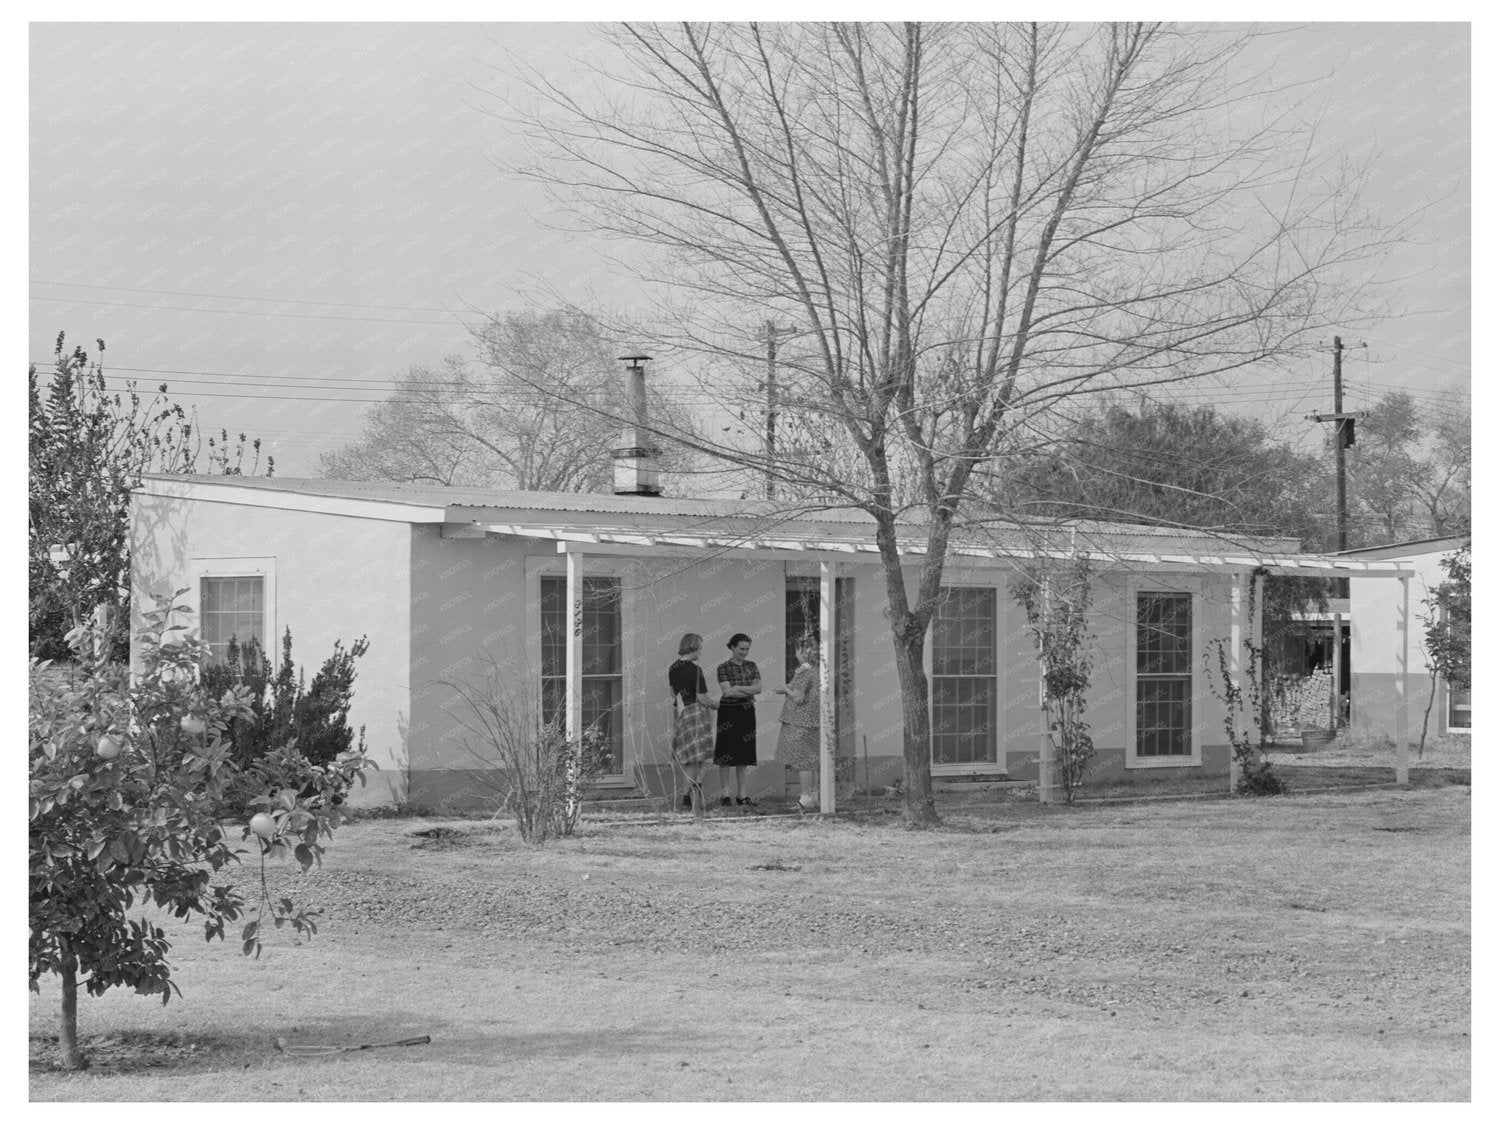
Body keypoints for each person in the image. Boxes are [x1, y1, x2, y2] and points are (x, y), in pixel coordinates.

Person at [668, 633, 718, 813]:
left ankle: (690, 799)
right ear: (693, 647)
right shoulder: (695, 670)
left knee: (689, 758)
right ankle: (690, 798)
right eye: (700, 648)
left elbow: (673, 693)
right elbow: (703, 698)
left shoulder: (673, 667)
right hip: (696, 715)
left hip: (680, 713)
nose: (701, 652)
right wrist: (718, 705)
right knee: (698, 758)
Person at [771, 634, 821, 810]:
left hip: (800, 721)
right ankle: (813, 796)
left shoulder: (803, 670)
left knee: (803, 762)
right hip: (813, 721)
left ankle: (806, 797)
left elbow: (798, 697)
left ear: (801, 651)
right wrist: (786, 689)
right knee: (812, 761)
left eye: (797, 650)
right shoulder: (817, 669)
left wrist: (786, 689)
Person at [714, 633, 761, 806]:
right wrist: (748, 691)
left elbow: (759, 689)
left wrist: (739, 687)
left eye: (747, 649)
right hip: (728, 711)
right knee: (725, 754)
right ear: (732, 647)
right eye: (741, 649)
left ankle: (742, 795)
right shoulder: (723, 667)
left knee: (743, 755)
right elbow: (728, 692)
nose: (744, 652)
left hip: (746, 712)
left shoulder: (752, 666)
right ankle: (725, 794)